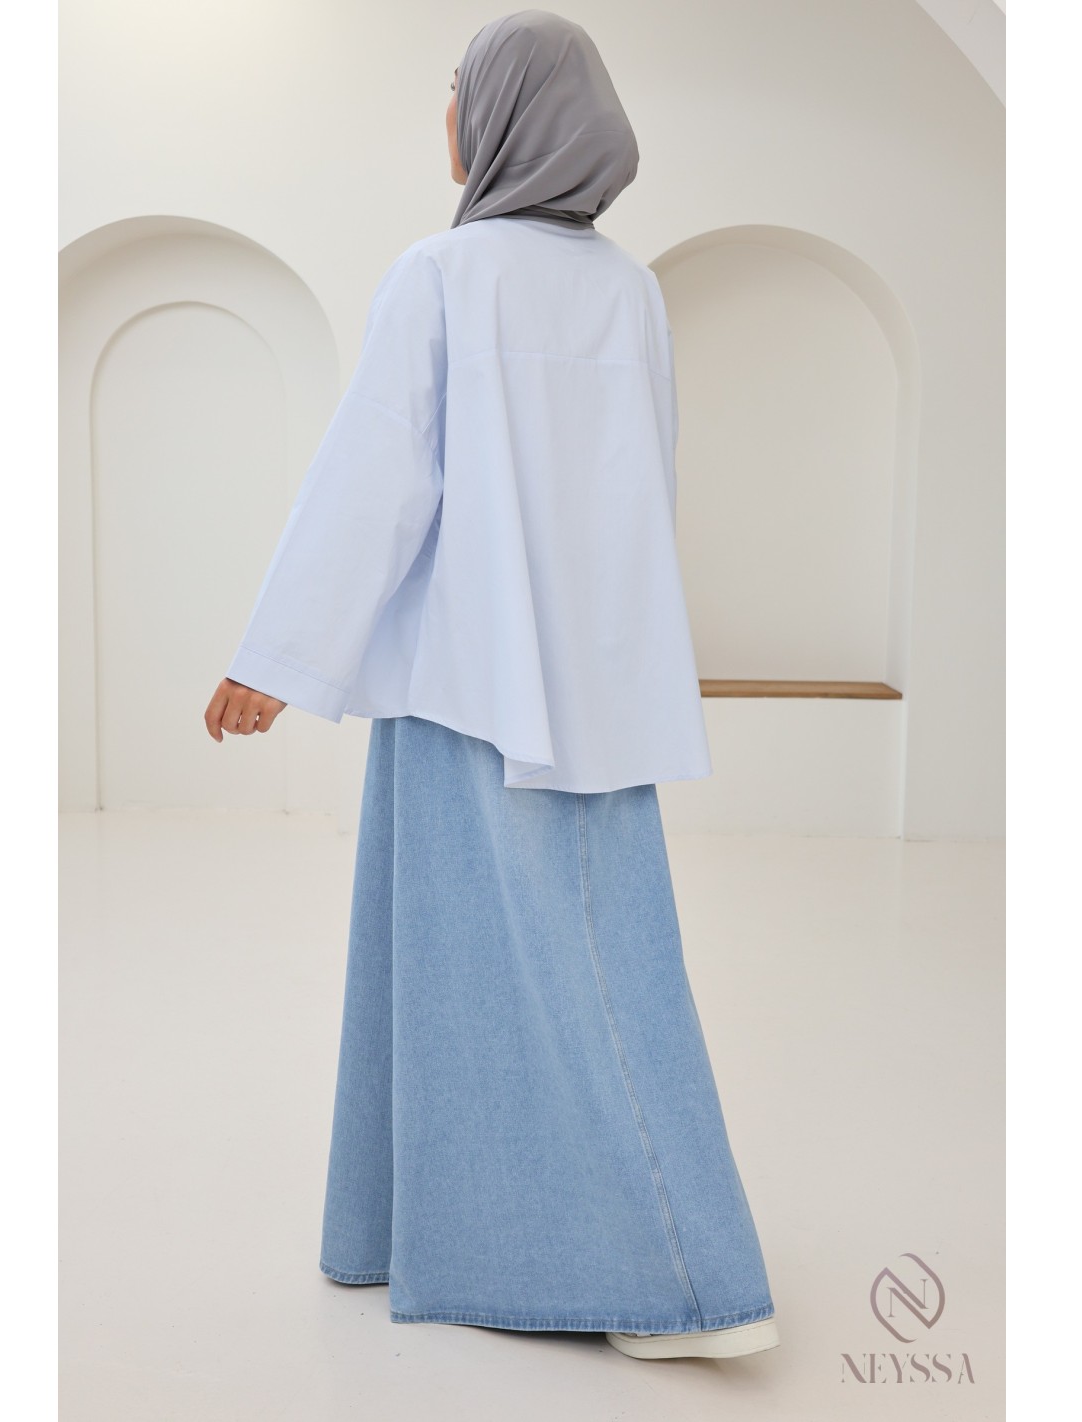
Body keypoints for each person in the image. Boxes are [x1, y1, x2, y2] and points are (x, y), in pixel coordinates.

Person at [203, 9, 779, 1362]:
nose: (447, 117)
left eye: (459, 91)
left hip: (466, 686)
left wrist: (273, 657)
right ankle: (426, 1234)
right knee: (535, 963)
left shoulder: (444, 274)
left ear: (509, 112)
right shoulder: (628, 291)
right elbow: (642, 494)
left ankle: (688, 1279)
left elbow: (375, 475)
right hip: (591, 686)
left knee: (529, 975)